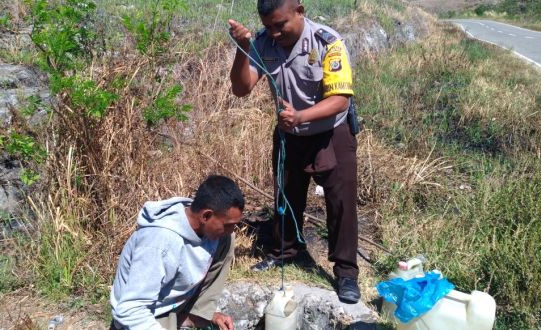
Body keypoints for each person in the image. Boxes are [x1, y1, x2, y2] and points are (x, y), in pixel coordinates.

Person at [228, 0, 361, 303]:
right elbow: (241, 88)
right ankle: (286, 252)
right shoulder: (262, 42)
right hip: (290, 134)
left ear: (300, 11)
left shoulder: (328, 42)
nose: (274, 33)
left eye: (281, 25)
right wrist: (243, 48)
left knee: (341, 203)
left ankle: (346, 273)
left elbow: (340, 100)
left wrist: (301, 116)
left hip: (331, 133)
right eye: (268, 26)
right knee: (286, 196)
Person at [110, 175, 244, 330]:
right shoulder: (160, 240)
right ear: (206, 216)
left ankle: (194, 316)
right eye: (228, 225)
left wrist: (205, 315)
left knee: (227, 240)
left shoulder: (220, 236)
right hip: (147, 316)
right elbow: (130, 310)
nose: (231, 230)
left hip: (176, 308)